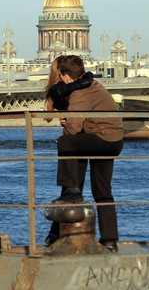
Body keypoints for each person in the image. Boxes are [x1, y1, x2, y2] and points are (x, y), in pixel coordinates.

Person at [51, 55, 124, 253]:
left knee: (65, 142)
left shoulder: (79, 93)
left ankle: (71, 195)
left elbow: (72, 131)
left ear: (65, 77)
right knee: (103, 191)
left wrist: (67, 123)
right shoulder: (93, 84)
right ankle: (110, 240)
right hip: (112, 139)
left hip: (101, 138)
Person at [44, 56, 94, 245]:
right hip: (76, 139)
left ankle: (55, 234)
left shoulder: (56, 90)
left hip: (76, 138)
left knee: (70, 191)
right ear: (62, 74)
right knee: (72, 190)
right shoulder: (61, 88)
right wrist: (87, 78)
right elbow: (79, 85)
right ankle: (58, 235)